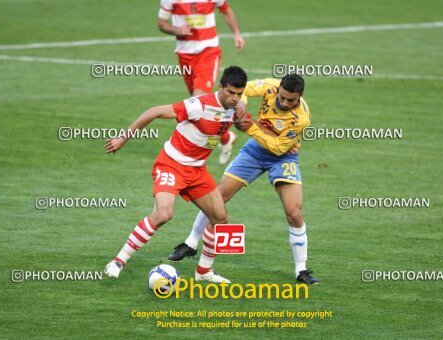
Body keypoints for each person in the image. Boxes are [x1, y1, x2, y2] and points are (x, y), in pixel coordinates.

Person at [167, 75, 319, 284]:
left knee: (294, 213)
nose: (284, 103)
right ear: (279, 89)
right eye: (282, 97)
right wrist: (242, 105)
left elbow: (278, 147)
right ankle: (191, 243)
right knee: (218, 197)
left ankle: (301, 270)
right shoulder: (270, 86)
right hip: (255, 150)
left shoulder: (301, 117)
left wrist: (250, 127)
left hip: (283, 157)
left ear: (300, 97)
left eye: (290, 100)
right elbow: (243, 89)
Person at [104, 66, 248, 283]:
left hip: (197, 171)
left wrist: (241, 117)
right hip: (171, 164)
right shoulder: (199, 105)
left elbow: (238, 118)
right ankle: (118, 261)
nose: (235, 98)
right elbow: (154, 111)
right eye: (231, 93)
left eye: (239, 94)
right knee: (163, 214)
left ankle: (204, 272)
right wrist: (124, 137)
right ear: (221, 88)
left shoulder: (235, 107)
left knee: (220, 218)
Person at [157, 0, 246, 164]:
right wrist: (175, 29)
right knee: (197, 105)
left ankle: (190, 154)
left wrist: (237, 34)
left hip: (208, 52)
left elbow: (226, 11)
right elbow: (161, 24)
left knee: (197, 100)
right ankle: (225, 137)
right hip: (185, 55)